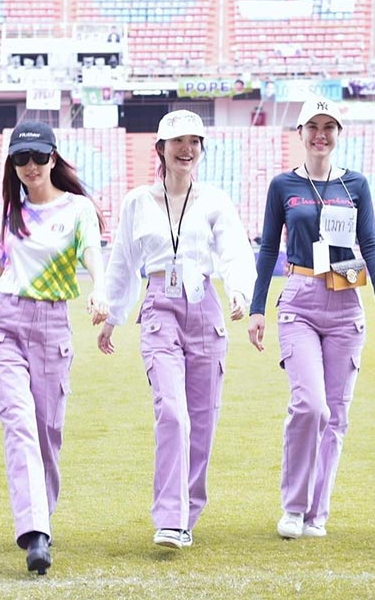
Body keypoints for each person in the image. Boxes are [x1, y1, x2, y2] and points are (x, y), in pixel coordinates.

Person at [97, 110, 256, 550]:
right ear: (161, 149)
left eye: (194, 142)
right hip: (159, 310)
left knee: (202, 421)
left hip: (204, 307)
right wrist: (113, 316)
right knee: (172, 412)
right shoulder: (137, 202)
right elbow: (123, 262)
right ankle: (169, 518)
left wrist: (239, 291)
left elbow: (234, 250)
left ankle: (188, 513)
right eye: (177, 142)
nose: (186, 149)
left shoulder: (214, 200)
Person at [248, 94, 375, 540]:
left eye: (328, 127)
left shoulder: (355, 185)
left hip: (346, 298)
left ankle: (317, 513)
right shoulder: (283, 186)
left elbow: (370, 244)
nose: (320, 135)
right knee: (309, 405)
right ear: (300, 133)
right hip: (300, 298)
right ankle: (293, 507)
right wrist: (257, 308)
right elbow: (268, 248)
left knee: (336, 415)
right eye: (313, 126)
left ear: (338, 134)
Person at [0, 120, 108, 575]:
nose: (30, 165)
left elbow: (91, 251)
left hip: (52, 326)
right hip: (7, 325)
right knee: (19, 426)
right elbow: (2, 266)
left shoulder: (77, 208)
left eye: (38, 156)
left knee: (47, 433)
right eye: (21, 158)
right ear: (12, 164)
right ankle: (35, 532)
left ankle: (41, 517)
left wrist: (98, 289)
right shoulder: (12, 212)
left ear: (53, 158)